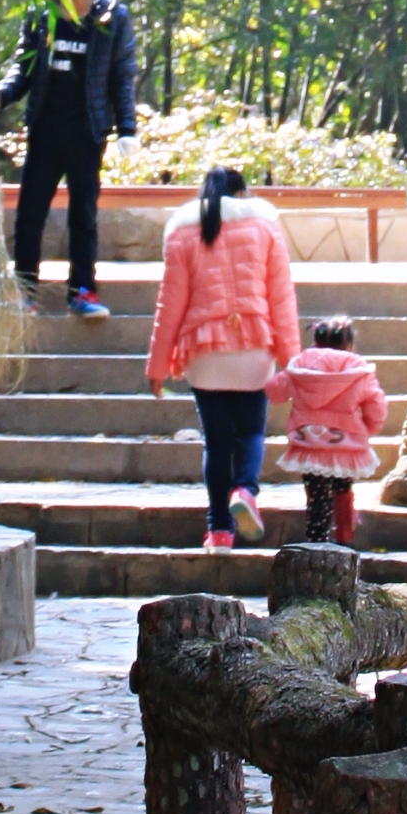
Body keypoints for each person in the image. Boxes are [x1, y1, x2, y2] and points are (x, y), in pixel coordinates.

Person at [0, 0, 137, 321]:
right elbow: (24, 69)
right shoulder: (42, 13)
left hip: (87, 130)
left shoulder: (114, 18)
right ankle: (23, 291)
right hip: (46, 127)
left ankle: (82, 290)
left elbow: (122, 75)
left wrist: (127, 128)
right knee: (30, 211)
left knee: (83, 213)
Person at [145, 164, 300, 549]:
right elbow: (282, 299)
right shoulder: (265, 228)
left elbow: (170, 305)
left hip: (204, 355)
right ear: (243, 193)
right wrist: (293, 361)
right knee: (250, 433)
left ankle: (218, 531)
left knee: (216, 444)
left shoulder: (182, 233)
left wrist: (157, 366)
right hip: (254, 348)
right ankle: (245, 491)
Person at [271, 314, 390, 546]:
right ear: (350, 345)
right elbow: (376, 405)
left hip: (309, 442)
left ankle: (317, 540)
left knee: (316, 495)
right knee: (343, 486)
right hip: (345, 442)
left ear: (315, 342)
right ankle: (344, 532)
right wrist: (368, 428)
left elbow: (275, 392)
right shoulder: (360, 371)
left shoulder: (299, 366)